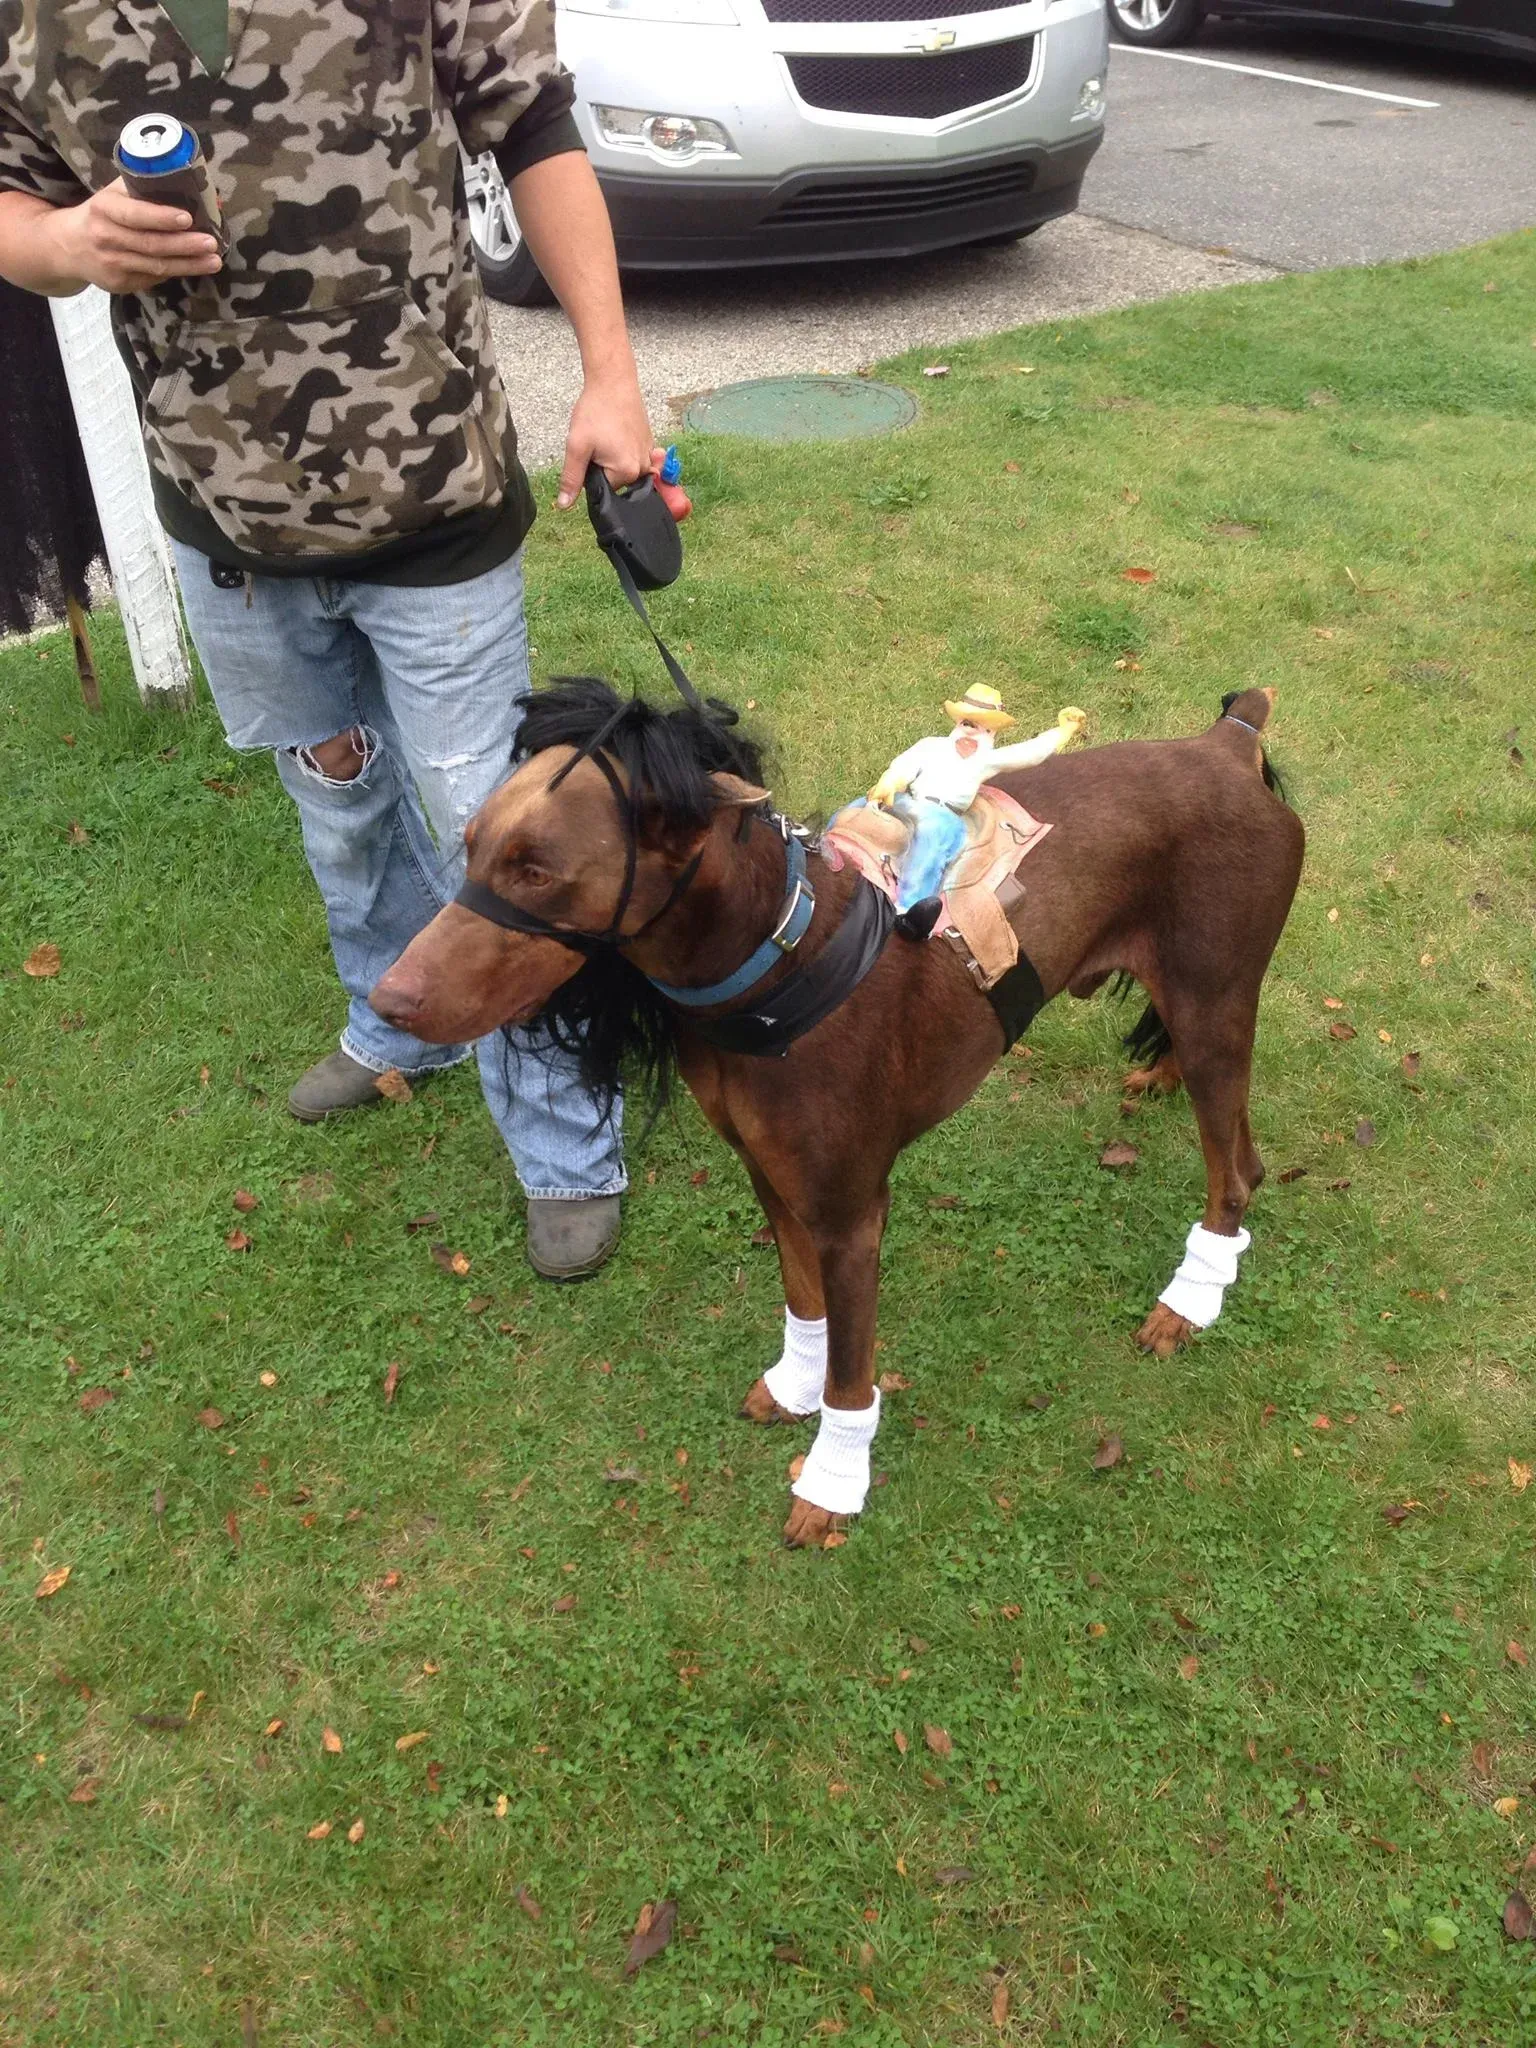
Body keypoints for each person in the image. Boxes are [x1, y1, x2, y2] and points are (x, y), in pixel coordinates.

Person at [0, 0, 658, 1280]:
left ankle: (565, 1144)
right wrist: (71, 239)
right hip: (225, 519)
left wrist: (611, 373)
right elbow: (13, 201)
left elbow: (535, 122)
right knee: (336, 792)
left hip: (435, 502)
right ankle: (396, 1020)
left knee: (494, 830)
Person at [869, 687, 1087, 910]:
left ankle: (910, 905)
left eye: (986, 729)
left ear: (992, 734)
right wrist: (890, 781)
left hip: (943, 815)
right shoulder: (931, 746)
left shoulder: (985, 760)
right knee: (860, 810)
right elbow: (905, 765)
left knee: (933, 835)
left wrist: (1064, 731)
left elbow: (1029, 752)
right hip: (910, 801)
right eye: (968, 724)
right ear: (958, 723)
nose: (973, 733)